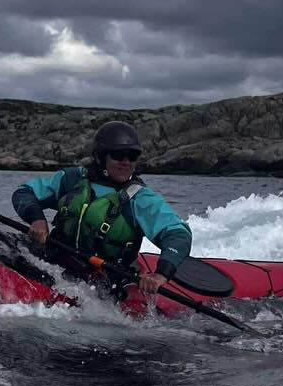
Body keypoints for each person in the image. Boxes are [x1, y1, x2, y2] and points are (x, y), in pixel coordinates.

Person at [12, 121, 191, 301]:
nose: (126, 162)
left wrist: (160, 275)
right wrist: (37, 219)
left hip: (104, 281)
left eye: (133, 156)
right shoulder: (72, 180)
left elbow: (178, 235)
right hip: (55, 259)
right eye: (119, 155)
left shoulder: (142, 200)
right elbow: (24, 192)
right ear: (100, 157)